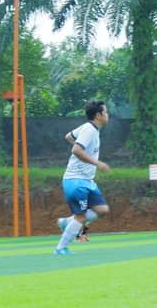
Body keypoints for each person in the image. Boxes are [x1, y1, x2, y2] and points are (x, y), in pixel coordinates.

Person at [54, 100, 111, 255]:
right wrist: (97, 163)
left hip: (87, 181)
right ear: (98, 115)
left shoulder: (89, 128)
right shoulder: (89, 130)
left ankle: (67, 222)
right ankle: (61, 248)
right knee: (81, 216)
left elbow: (68, 137)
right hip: (76, 180)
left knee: (102, 210)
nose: (108, 115)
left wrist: (87, 155)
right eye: (106, 112)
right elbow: (76, 150)